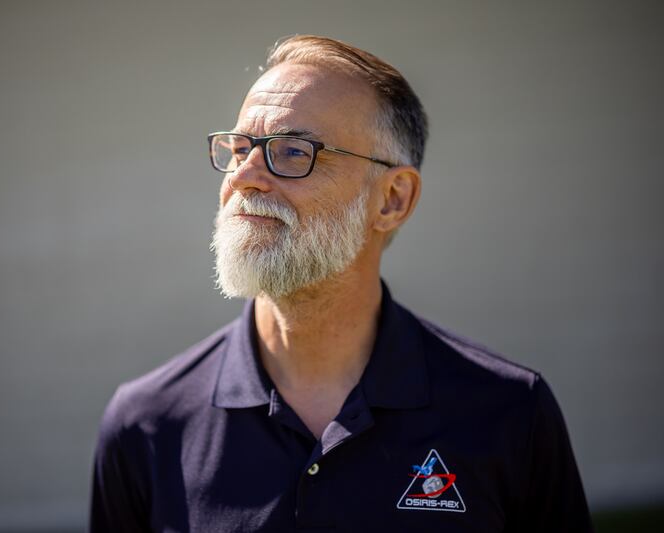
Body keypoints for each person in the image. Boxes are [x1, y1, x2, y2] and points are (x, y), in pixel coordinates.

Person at [90, 35, 592, 532]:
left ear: (392, 199)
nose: (245, 176)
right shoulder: (146, 424)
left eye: (292, 151)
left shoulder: (507, 412)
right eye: (240, 148)